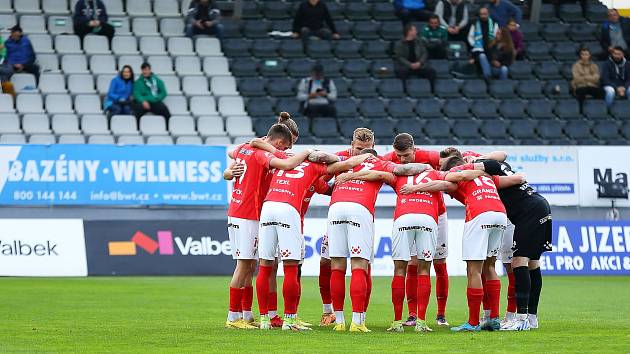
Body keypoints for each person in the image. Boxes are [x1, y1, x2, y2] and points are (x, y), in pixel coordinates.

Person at [256, 151, 371, 331]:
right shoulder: (315, 166)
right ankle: (289, 320)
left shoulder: (284, 160)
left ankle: (264, 320)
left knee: (265, 265)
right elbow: (346, 164)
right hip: (288, 210)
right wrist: (366, 157)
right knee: (291, 267)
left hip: (267, 208)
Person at [327, 149, 429, 333]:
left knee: (337, 264)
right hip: (359, 209)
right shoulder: (380, 162)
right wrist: (426, 166)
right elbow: (404, 170)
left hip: (335, 208)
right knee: (359, 264)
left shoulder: (345, 163)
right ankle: (357, 322)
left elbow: (325, 167)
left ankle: (339, 322)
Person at [224, 125, 313, 329]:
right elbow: (288, 164)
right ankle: (233, 317)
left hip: (236, 210)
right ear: (281, 142)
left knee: (250, 265)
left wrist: (228, 172)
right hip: (250, 213)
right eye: (288, 144)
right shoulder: (261, 154)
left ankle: (246, 315)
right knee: (246, 265)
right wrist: (306, 152)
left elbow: (232, 152)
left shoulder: (244, 148)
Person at [382, 134, 451, 328]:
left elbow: (452, 160)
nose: (402, 160)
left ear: (415, 149)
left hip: (438, 215)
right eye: (399, 155)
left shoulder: (430, 155)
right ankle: (413, 315)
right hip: (418, 212)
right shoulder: (392, 158)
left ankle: (441, 314)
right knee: (414, 263)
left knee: (439, 263)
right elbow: (377, 165)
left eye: (406, 155)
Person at [317, 128, 377, 327]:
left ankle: (357, 317)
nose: (362, 153)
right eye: (359, 148)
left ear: (373, 147)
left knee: (356, 266)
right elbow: (318, 181)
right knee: (330, 264)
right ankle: (334, 315)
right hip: (347, 212)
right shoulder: (339, 159)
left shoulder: (376, 159)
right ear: (352, 145)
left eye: (366, 149)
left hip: (348, 213)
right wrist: (334, 191)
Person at [468, 8, 499, 79]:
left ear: (488, 14)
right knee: (482, 56)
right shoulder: (475, 23)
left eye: (485, 14)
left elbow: (496, 37)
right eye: (481, 14)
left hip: (490, 49)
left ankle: (487, 76)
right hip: (478, 50)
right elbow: (470, 37)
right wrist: (475, 45)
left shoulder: (494, 23)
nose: (483, 16)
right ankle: (487, 76)